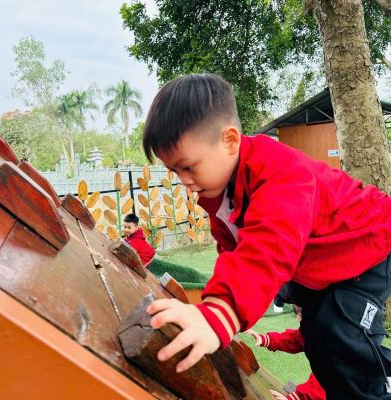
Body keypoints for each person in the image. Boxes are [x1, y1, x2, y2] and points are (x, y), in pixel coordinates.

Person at [142, 73, 391, 399]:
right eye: (174, 171)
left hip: (365, 245)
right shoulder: (217, 196)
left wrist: (220, 313)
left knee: (338, 330)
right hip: (318, 267)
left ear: (230, 140)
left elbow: (270, 243)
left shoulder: (279, 171)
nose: (183, 181)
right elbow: (234, 255)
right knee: (316, 337)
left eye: (188, 166)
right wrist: (217, 303)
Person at [244, 306, 326, 400]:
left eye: (301, 314)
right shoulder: (315, 328)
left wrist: (297, 397)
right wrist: (266, 339)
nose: (298, 319)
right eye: (297, 313)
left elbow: (325, 380)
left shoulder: (333, 342)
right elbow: (295, 340)